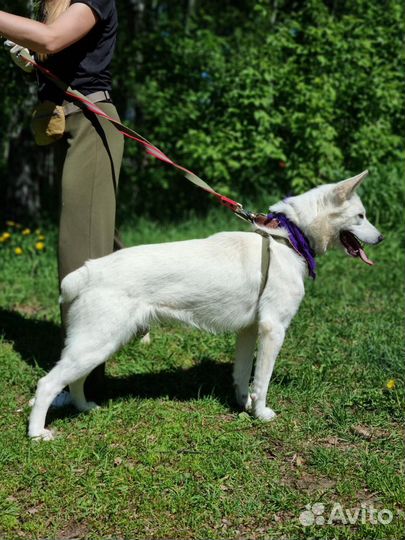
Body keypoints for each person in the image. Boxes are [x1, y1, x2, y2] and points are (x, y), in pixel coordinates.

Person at [0, 1, 124, 400]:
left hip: (90, 123)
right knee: (97, 240)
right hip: (64, 124)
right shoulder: (53, 3)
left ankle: (82, 381)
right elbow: (55, 50)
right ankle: (134, 318)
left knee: (80, 258)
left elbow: (53, 39)